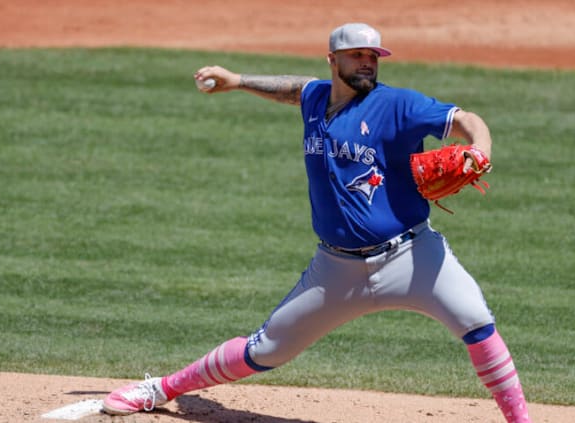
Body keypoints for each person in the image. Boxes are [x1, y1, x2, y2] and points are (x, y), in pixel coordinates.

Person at [102, 22, 531, 423]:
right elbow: (295, 89)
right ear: (333, 59)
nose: (367, 62)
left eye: (373, 55)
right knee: (265, 349)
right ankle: (159, 389)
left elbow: (464, 119)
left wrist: (482, 148)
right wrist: (237, 81)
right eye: (356, 54)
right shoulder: (315, 99)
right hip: (336, 268)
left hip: (411, 255)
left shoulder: (398, 104)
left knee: (477, 323)